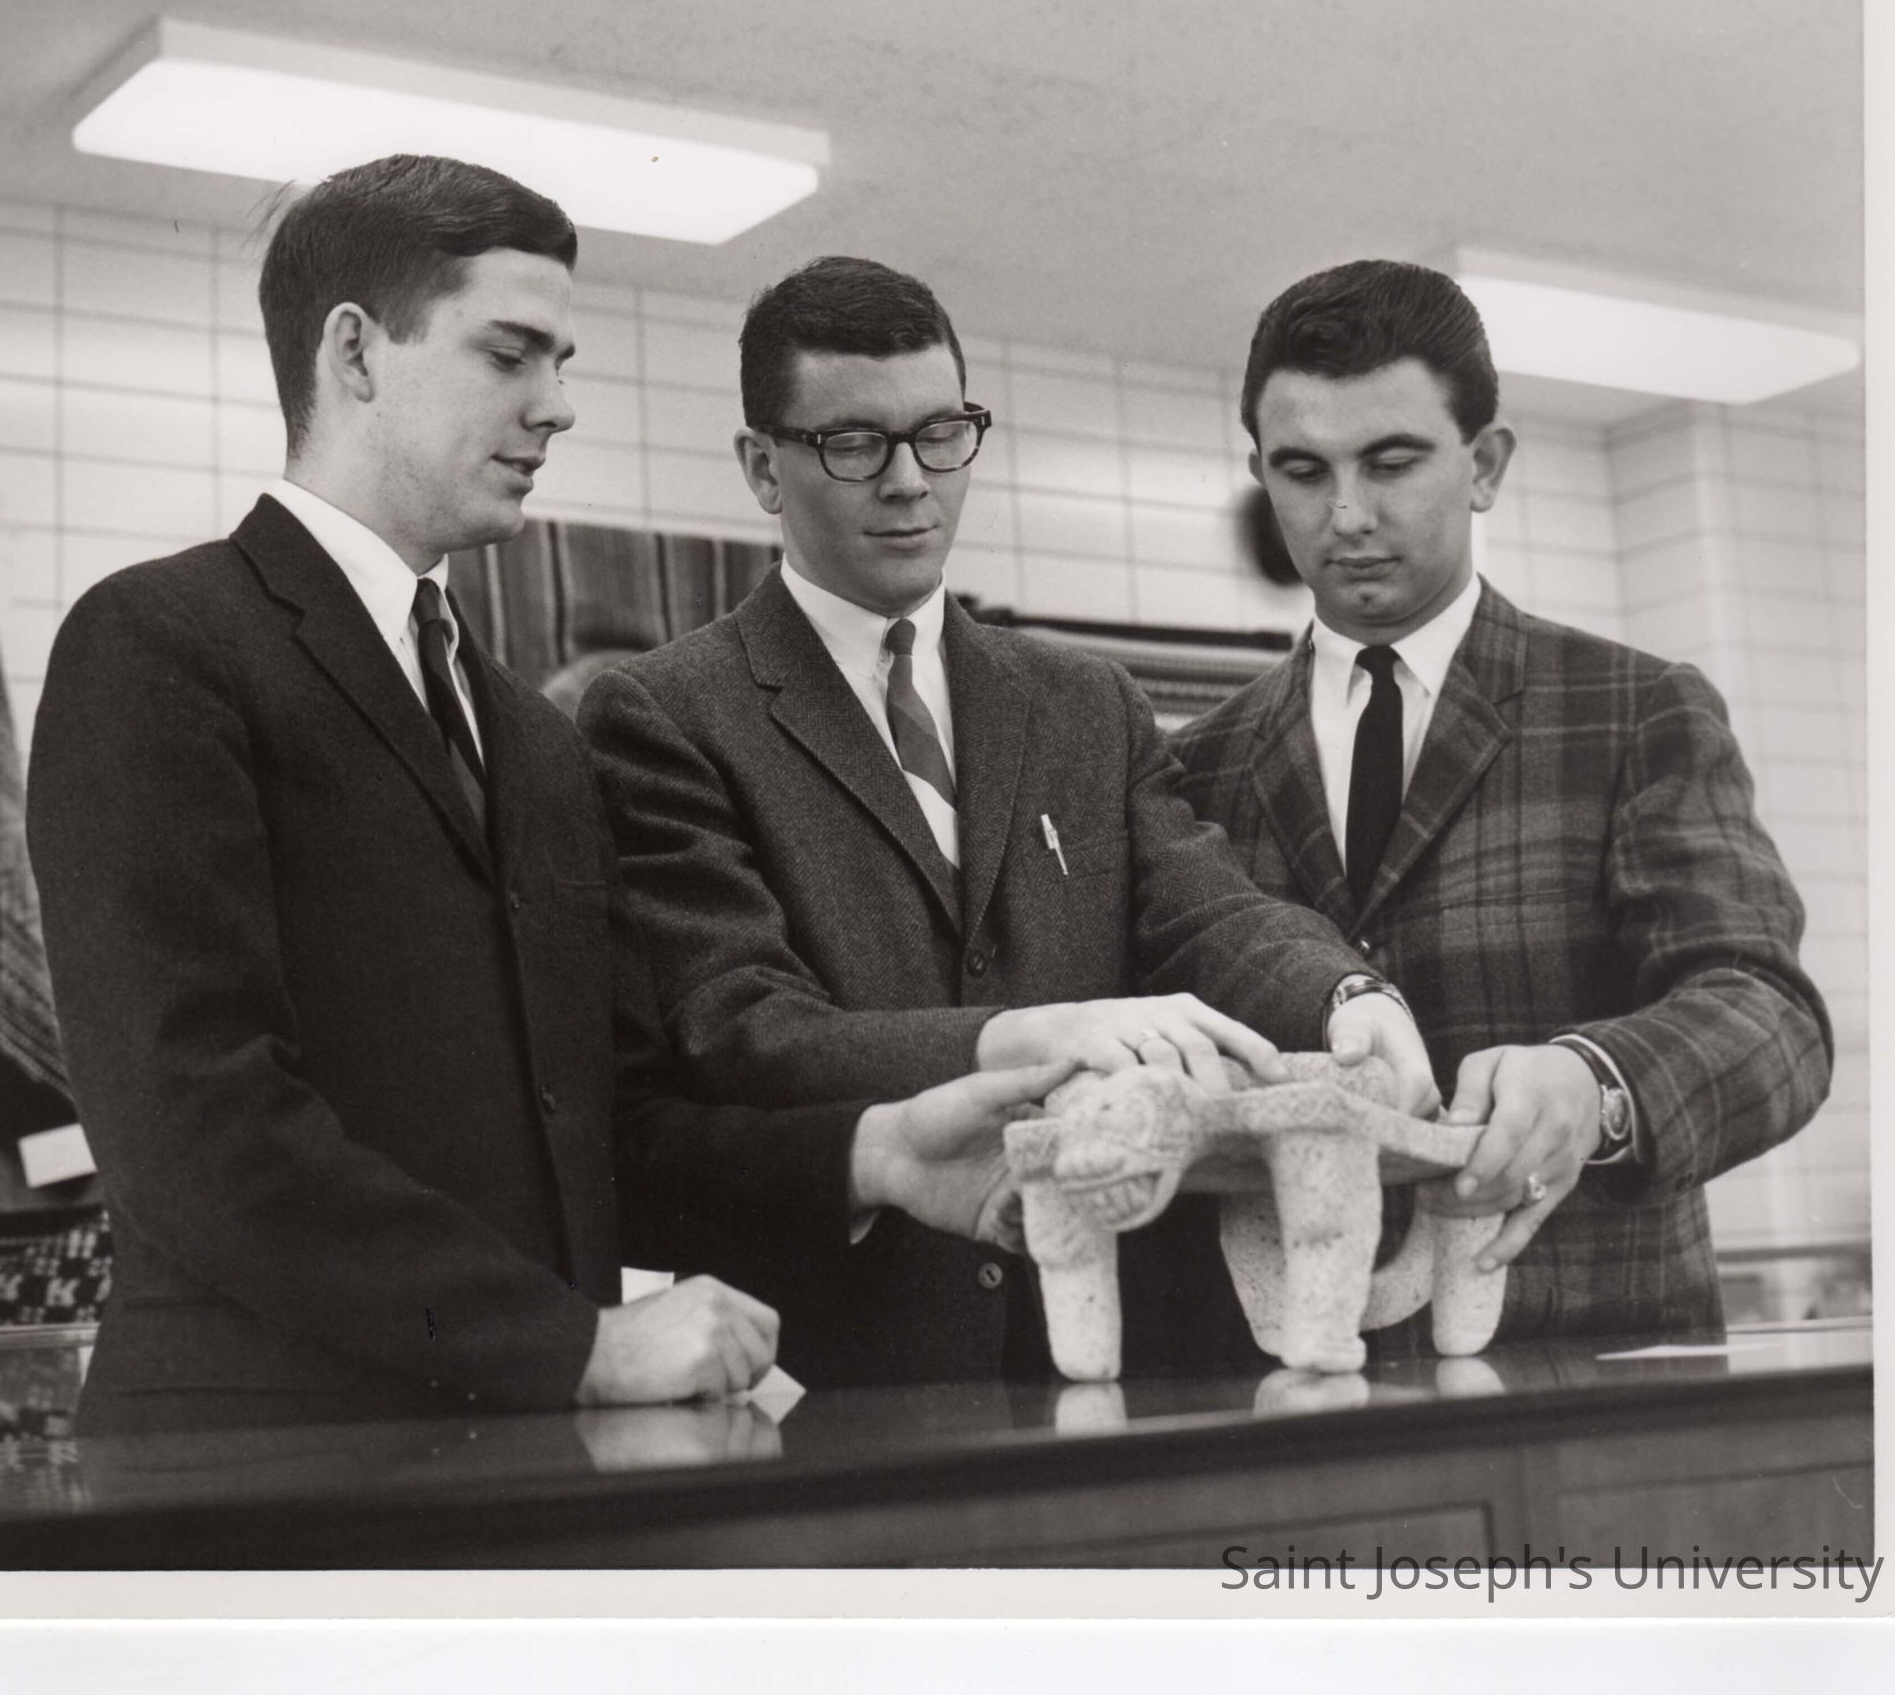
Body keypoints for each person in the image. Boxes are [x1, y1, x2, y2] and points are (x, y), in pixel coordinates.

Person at [25, 159, 1067, 1436]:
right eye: (509, 355)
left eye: (560, 363)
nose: (558, 406)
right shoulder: (163, 645)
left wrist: (875, 1154)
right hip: (260, 1468)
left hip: (513, 1462)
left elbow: (602, 1131)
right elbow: (194, 1127)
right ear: (354, 352)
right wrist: (572, 1345)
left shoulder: (530, 737)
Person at [577, 255, 1433, 1388]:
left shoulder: (1085, 702)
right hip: (856, 1372)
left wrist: (1347, 997)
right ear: (762, 467)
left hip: (1124, 1352)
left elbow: (1207, 910)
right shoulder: (667, 713)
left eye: (941, 434)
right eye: (854, 443)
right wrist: (1020, 1036)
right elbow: (741, 1028)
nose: (909, 482)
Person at [1171, 258, 1832, 1341]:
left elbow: (1770, 1015)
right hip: (1287, 1375)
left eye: (1392, 462)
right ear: (1262, 475)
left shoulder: (1632, 708)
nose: (1347, 514)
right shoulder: (1196, 765)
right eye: (1303, 470)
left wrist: (1597, 1085)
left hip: (1588, 1365)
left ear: (1483, 465)